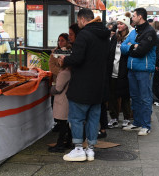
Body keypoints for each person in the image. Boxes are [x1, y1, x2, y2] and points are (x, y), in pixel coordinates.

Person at [59, 8, 110, 161]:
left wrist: (64, 60)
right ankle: (91, 149)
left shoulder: (84, 35)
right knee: (94, 118)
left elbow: (77, 58)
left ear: (82, 19)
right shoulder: (104, 35)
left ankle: (78, 149)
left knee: (76, 118)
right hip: (98, 85)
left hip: (82, 85)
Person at [120, 8, 157, 136]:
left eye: (134, 16)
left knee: (145, 98)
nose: (132, 18)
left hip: (144, 70)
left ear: (140, 17)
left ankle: (146, 125)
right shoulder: (134, 31)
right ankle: (137, 122)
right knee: (135, 97)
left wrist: (133, 47)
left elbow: (141, 51)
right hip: (132, 69)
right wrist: (133, 46)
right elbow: (123, 47)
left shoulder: (149, 32)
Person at [107, 14, 133, 129]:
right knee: (112, 95)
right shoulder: (114, 37)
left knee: (125, 95)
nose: (119, 25)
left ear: (126, 25)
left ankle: (127, 118)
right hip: (113, 70)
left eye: (121, 23)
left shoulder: (130, 38)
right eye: (118, 23)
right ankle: (114, 118)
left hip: (124, 71)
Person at [48, 33, 70, 132]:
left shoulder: (71, 51)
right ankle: (57, 121)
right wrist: (61, 71)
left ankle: (64, 121)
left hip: (68, 81)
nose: (60, 42)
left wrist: (64, 72)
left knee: (64, 102)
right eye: (59, 40)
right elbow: (51, 66)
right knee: (55, 101)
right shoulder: (54, 52)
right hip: (56, 79)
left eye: (62, 40)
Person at [48, 65, 72, 153]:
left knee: (63, 124)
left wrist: (52, 88)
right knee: (67, 124)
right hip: (68, 99)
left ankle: (60, 145)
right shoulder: (71, 71)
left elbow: (58, 88)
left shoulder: (63, 73)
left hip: (62, 100)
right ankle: (69, 142)